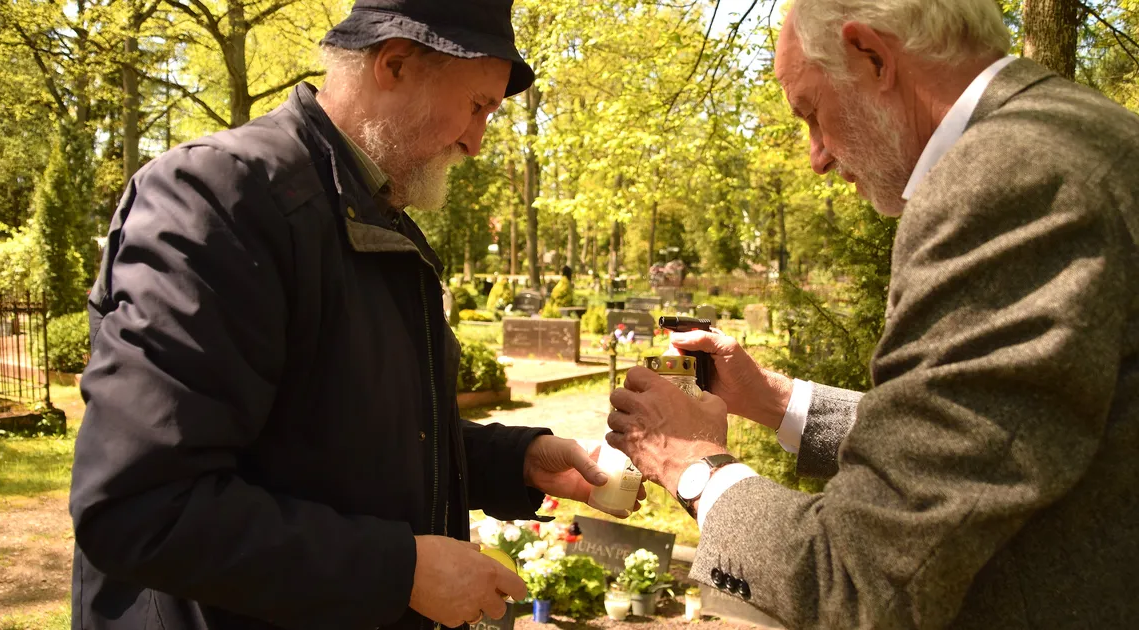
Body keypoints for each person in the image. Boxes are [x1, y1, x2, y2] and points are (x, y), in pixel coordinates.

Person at [67, 1, 638, 629]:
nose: (476, 143)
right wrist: (399, 572)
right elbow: (143, 506)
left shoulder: (373, 217)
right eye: (477, 107)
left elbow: (348, 445)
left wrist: (519, 460)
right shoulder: (217, 202)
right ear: (393, 63)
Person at [606, 0, 1139, 627]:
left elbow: (863, 581)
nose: (817, 157)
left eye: (812, 114)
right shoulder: (1074, 133)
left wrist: (690, 466)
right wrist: (778, 402)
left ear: (873, 56)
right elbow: (999, 440)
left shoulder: (1005, 180)